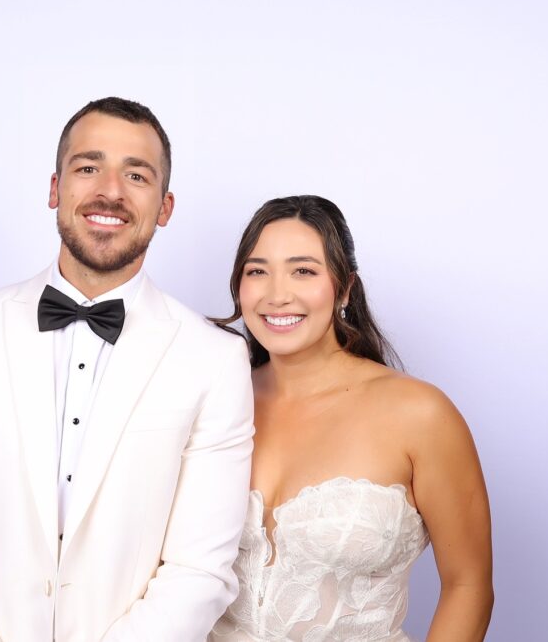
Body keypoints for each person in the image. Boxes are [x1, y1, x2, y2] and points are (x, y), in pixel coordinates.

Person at [0, 97, 255, 641]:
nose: (110, 190)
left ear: (165, 206)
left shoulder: (216, 360)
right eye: (88, 168)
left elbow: (199, 570)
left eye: (136, 174)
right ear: (55, 188)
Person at [209, 195, 493, 641]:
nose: (277, 294)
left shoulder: (420, 414)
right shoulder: (216, 400)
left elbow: (468, 585)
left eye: (303, 271)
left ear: (344, 289)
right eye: (257, 271)